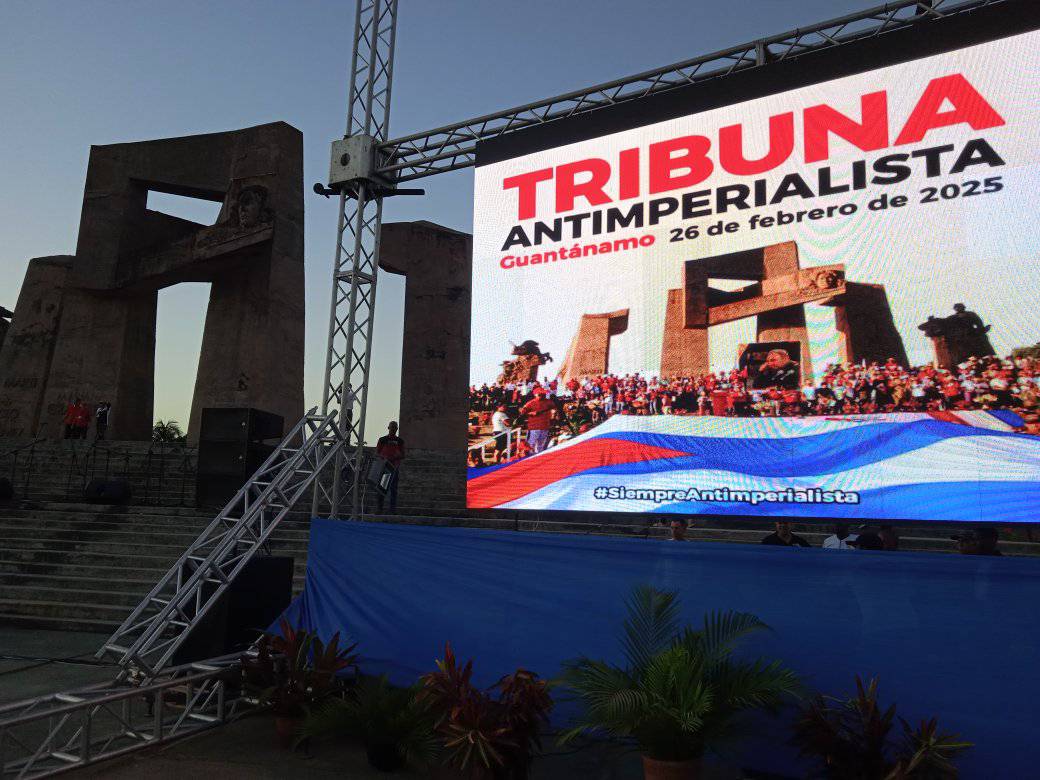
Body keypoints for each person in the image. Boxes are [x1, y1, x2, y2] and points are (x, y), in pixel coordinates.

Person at [375, 421, 405, 513]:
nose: (393, 429)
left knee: (393, 489)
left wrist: (395, 457)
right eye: (392, 427)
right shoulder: (382, 439)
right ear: (388, 428)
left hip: (394, 467)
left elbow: (403, 454)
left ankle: (392, 509)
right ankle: (379, 508)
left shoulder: (400, 441)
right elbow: (377, 452)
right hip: (385, 467)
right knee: (382, 488)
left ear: (397, 429)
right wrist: (384, 458)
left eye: (395, 428)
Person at [520, 387, 555, 454]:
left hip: (545, 426)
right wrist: (531, 413)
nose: (542, 395)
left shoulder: (549, 402)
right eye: (540, 394)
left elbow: (554, 409)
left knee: (541, 445)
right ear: (535, 395)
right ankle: (529, 458)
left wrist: (554, 414)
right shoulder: (530, 403)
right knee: (531, 445)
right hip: (534, 427)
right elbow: (522, 412)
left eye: (543, 394)